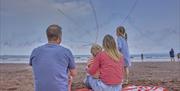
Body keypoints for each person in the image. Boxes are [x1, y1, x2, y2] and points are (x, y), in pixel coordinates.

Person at [29, 24, 77, 91]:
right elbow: (74, 73)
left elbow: (35, 65)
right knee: (70, 79)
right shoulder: (66, 52)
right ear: (59, 37)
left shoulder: (35, 51)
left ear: (47, 36)